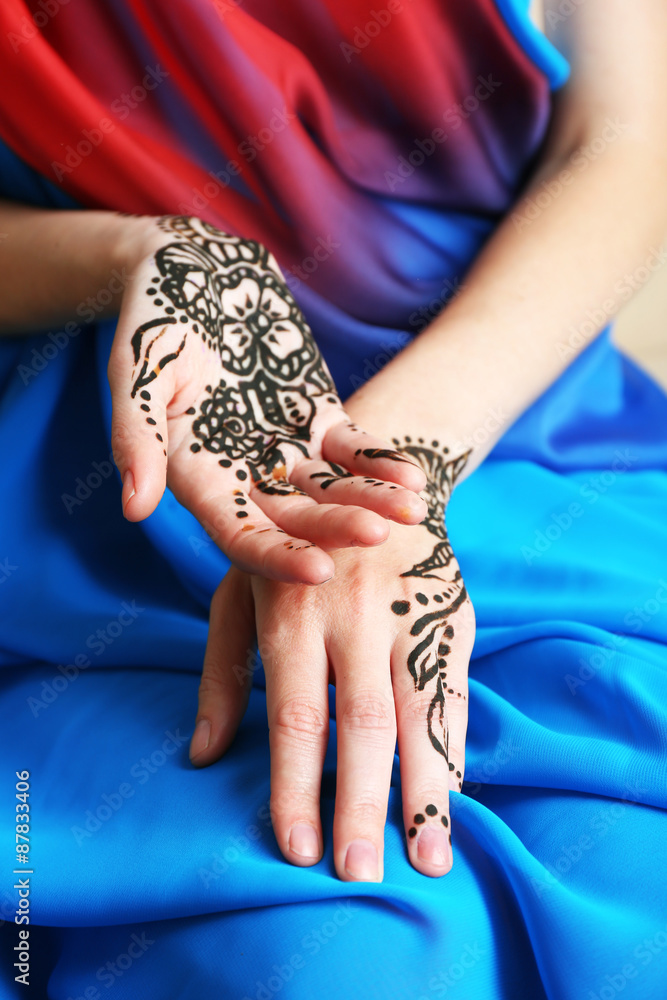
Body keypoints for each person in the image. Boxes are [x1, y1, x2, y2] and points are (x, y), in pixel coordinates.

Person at [1, 1, 666, 997]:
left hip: (511, 419)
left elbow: (622, 144)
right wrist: (149, 255)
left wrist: (383, 475)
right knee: (328, 961)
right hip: (105, 478)